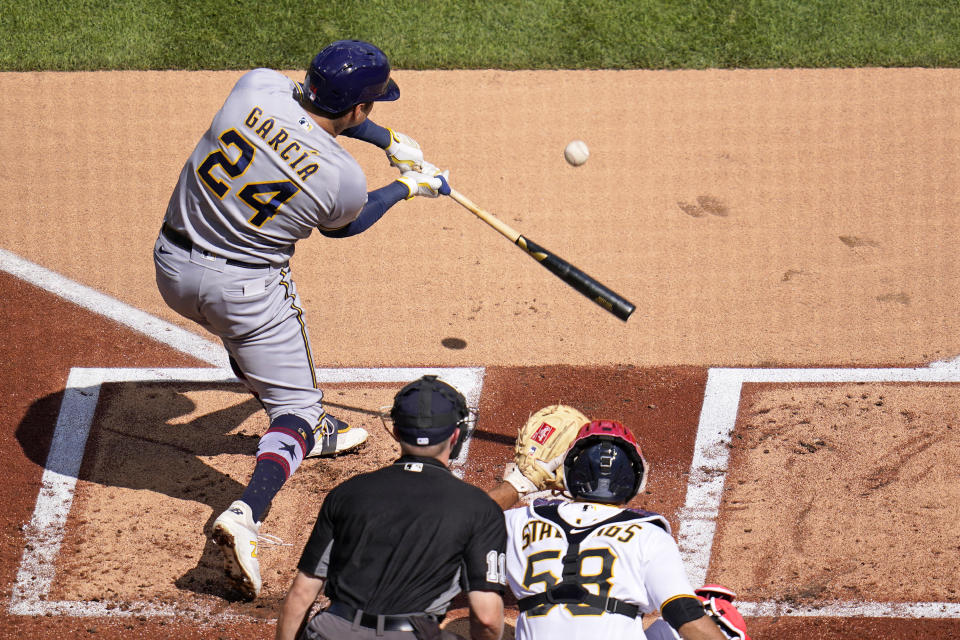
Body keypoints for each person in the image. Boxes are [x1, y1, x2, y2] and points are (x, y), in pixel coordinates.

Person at [154, 39, 451, 599]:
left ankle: (301, 426)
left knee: (240, 336)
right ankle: (247, 510)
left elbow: (312, 116)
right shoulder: (340, 179)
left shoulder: (255, 84)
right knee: (297, 408)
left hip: (171, 268)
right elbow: (348, 223)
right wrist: (408, 186)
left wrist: (386, 141)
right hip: (242, 293)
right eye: (373, 109)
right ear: (358, 107)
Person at [275, 375, 506, 640]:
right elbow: (487, 619)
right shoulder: (479, 507)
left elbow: (301, 595)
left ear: (395, 431)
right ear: (457, 435)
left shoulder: (347, 493)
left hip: (332, 631)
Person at [487, 418, 730, 640]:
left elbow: (463, 518)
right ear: (633, 478)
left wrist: (520, 483)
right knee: (717, 615)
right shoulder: (649, 536)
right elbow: (683, 613)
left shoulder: (521, 521)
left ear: (571, 474)